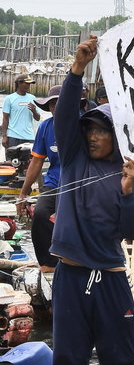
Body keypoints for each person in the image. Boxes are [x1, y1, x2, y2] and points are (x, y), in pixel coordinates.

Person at [49, 35, 134, 365]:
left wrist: (125, 194)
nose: (93, 135)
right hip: (70, 275)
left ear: (118, 136)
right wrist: (78, 69)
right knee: (69, 355)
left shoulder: (131, 176)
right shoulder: (73, 158)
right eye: (90, 129)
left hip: (110, 277)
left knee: (120, 355)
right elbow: (64, 115)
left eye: (103, 131)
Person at [16, 86, 64, 270]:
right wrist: (23, 194)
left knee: (69, 220)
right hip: (53, 182)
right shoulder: (45, 127)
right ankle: (48, 263)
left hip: (77, 184)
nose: (56, 107)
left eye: (60, 102)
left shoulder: (82, 124)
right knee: (42, 214)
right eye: (52, 103)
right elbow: (36, 162)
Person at [2, 73, 38, 154]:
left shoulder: (32, 98)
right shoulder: (9, 99)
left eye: (30, 84)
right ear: (19, 83)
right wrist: (4, 136)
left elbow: (37, 118)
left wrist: (34, 111)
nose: (29, 85)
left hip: (29, 137)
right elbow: (5, 118)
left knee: (29, 163)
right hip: (13, 137)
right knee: (13, 163)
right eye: (27, 83)